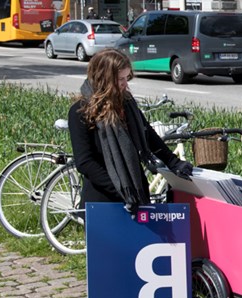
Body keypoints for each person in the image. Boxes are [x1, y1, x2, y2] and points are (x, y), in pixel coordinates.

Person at [68, 48, 193, 216]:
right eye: (120, 79)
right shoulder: (80, 111)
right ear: (104, 79)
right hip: (102, 199)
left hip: (134, 193)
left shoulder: (126, 103)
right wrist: (121, 190)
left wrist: (173, 162)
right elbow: (85, 162)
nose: (125, 84)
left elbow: (147, 134)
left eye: (127, 78)